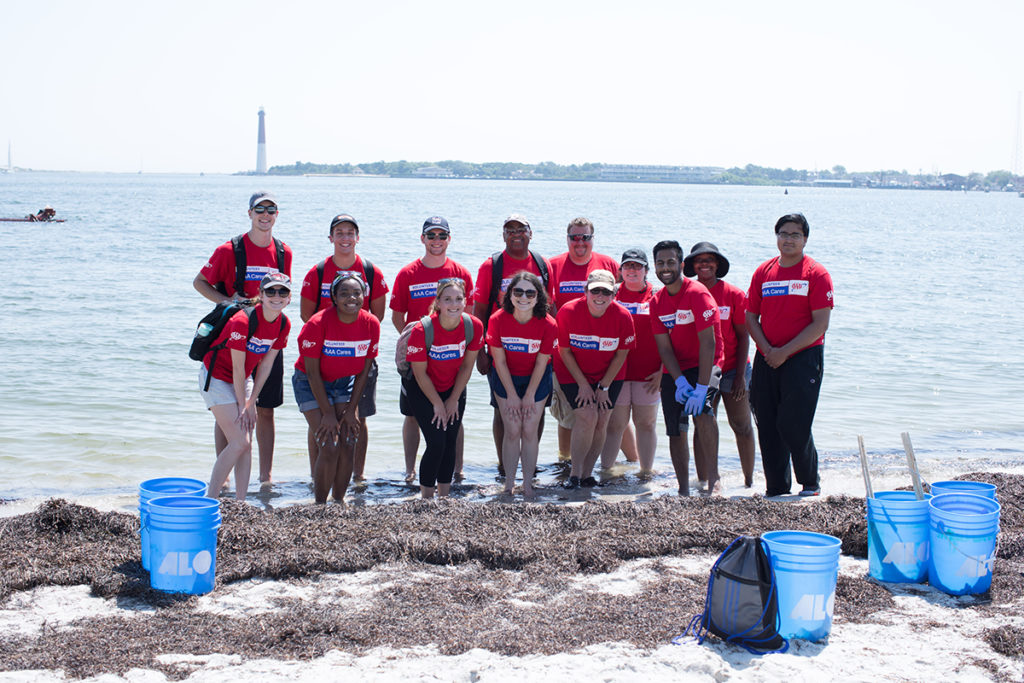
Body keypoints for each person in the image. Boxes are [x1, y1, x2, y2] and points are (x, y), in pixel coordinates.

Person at [194, 191, 293, 487]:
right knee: (229, 410)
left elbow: (282, 291)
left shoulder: (283, 251)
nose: (265, 215)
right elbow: (200, 282)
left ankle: (265, 477)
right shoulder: (230, 249)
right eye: (259, 209)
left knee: (266, 408)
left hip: (268, 337)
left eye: (271, 210)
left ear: (277, 215)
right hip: (235, 337)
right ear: (249, 213)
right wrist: (229, 302)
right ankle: (224, 477)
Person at [746, 213, 834, 497]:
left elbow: (820, 324)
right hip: (767, 356)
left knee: (794, 423)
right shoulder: (764, 272)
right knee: (767, 423)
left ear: (805, 239)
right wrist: (767, 350)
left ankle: (810, 482)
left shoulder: (816, 273)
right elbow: (750, 317)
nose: (788, 239)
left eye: (795, 235)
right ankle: (776, 487)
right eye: (783, 234)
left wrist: (784, 352)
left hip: (803, 357)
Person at [300, 213, 389, 482]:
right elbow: (307, 316)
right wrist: (332, 340)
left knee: (359, 418)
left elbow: (377, 316)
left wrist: (354, 339)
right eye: (339, 233)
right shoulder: (317, 272)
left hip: (359, 355)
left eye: (350, 233)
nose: (345, 238)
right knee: (320, 421)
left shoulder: (371, 271)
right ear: (331, 238)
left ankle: (357, 476)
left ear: (357, 238)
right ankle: (317, 475)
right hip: (324, 357)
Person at [390, 216, 474, 483]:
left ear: (449, 239)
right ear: (422, 238)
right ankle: (409, 470)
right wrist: (416, 346)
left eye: (441, 236)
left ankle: (457, 470)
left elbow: (469, 316)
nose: (436, 240)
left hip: (451, 358)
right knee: (412, 415)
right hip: (418, 360)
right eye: (431, 235)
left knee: (454, 415)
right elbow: (397, 317)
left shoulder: (461, 273)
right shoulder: (407, 273)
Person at [199, 273, 292, 501]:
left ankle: (240, 502)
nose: (276, 296)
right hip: (217, 377)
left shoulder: (283, 323)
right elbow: (237, 368)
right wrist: (244, 406)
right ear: (260, 294)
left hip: (244, 379)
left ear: (289, 298)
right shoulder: (242, 321)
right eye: (270, 291)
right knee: (240, 441)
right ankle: (210, 499)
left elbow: (266, 366)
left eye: (282, 291)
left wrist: (252, 403)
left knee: (246, 444)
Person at [471, 214, 552, 473]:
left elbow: (549, 307)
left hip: (536, 351)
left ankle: (529, 465)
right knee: (502, 411)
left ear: (531, 233)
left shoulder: (542, 264)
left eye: (521, 229)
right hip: (501, 351)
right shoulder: (491, 265)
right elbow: (478, 311)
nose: (516, 234)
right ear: (503, 235)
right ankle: (504, 466)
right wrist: (480, 352)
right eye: (510, 230)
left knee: (536, 411)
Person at [293, 272, 380, 504]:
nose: (351, 298)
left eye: (356, 293)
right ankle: (320, 505)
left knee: (349, 441)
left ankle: (339, 502)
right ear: (334, 297)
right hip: (310, 383)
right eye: (344, 293)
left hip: (345, 383)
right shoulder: (316, 324)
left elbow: (364, 371)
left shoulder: (371, 323)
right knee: (329, 444)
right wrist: (328, 414)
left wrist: (351, 410)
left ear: (364, 296)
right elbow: (312, 373)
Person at [650, 240, 724, 496]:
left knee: (703, 413)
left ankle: (714, 479)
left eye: (671, 262)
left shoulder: (697, 293)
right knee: (676, 428)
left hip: (706, 362)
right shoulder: (656, 302)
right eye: (660, 263)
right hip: (676, 368)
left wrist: (702, 387)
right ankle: (683, 489)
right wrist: (679, 381)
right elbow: (664, 348)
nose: (665, 268)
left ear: (681, 265)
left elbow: (709, 343)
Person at [547, 217, 622, 460]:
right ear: (567, 238)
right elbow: (547, 306)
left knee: (608, 415)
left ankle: (634, 465)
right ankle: (565, 461)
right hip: (566, 353)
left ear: (593, 238)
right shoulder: (553, 265)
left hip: (604, 353)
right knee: (569, 416)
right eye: (575, 237)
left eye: (585, 237)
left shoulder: (609, 264)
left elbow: (628, 293)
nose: (580, 242)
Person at [554, 270, 636, 489]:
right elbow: (564, 351)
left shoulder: (623, 316)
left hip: (609, 374)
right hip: (572, 371)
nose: (600, 296)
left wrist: (604, 386)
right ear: (586, 291)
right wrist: (583, 384)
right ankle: (574, 474)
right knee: (587, 416)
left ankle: (587, 474)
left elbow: (621, 354)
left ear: (614, 294)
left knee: (602, 419)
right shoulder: (568, 311)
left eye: (606, 292)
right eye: (595, 290)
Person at [684, 242, 756, 488]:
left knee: (741, 424)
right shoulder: (687, 293)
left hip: (734, 368)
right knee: (701, 424)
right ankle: (703, 481)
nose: (704, 264)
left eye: (709, 259)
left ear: (718, 264)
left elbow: (744, 336)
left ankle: (749, 482)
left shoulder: (733, 294)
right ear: (692, 265)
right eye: (699, 260)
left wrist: (740, 377)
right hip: (703, 369)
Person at [405, 278, 484, 498]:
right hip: (422, 389)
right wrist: (438, 403)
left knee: (450, 441)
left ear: (465, 301)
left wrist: (453, 399)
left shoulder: (474, 326)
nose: (454, 304)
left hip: (454, 388)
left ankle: (444, 496)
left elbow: (467, 366)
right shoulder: (422, 330)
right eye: (447, 299)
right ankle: (426, 498)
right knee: (436, 442)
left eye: (458, 299)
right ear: (438, 302)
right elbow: (420, 374)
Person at [487, 271, 557, 498]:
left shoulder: (549, 324)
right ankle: (508, 485)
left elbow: (542, 362)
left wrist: (528, 395)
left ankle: (527, 485)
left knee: (528, 430)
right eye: (518, 292)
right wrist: (511, 395)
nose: (523, 297)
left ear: (538, 297)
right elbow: (499, 362)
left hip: (536, 379)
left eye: (530, 293)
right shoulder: (497, 319)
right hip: (506, 377)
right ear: (510, 295)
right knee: (512, 429)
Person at [600, 248, 661, 473]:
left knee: (646, 424)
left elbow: (672, 336)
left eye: (637, 266)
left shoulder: (658, 295)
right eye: (627, 265)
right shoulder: (611, 293)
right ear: (621, 270)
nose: (632, 270)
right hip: (618, 373)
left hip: (649, 374)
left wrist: (663, 371)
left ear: (646, 270)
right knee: (615, 425)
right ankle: (605, 473)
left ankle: (646, 473)